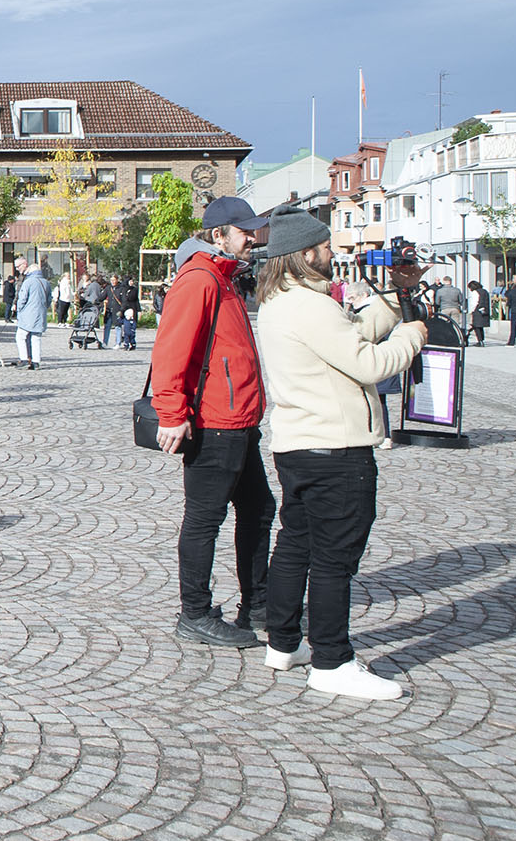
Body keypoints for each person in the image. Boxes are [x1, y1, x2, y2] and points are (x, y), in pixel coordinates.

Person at [253, 212, 426, 699]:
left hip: (299, 444)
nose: (333, 254)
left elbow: (349, 331)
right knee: (333, 558)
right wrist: (411, 336)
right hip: (337, 448)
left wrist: (392, 299)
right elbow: (367, 361)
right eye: (326, 247)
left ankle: (284, 643)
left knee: (295, 545)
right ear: (306, 254)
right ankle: (332, 660)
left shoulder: (279, 302)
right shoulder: (311, 306)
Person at [151, 196, 275, 649]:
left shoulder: (224, 278)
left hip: (239, 419)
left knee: (260, 509)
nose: (252, 237)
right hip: (214, 422)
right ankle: (195, 612)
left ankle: (258, 604)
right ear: (218, 234)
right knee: (204, 519)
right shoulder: (200, 279)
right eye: (244, 231)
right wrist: (172, 414)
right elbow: (170, 351)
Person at [111, 274, 143, 351]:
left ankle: (132, 343)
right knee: (125, 328)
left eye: (132, 281)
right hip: (125, 310)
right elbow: (124, 301)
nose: (132, 282)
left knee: (132, 329)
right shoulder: (123, 289)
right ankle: (125, 343)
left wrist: (139, 310)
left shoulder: (135, 290)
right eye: (130, 281)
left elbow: (136, 300)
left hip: (133, 309)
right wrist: (121, 310)